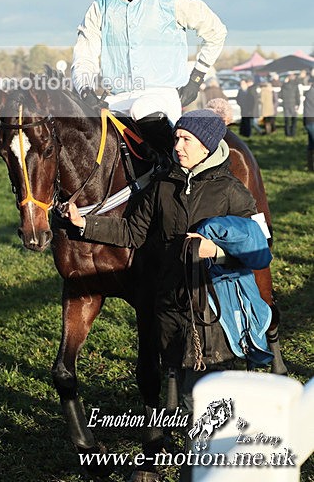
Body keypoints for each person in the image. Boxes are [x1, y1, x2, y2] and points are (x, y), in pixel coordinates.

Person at [63, 109, 272, 441]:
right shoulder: (163, 185)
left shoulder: (233, 191)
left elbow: (259, 249)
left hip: (213, 309)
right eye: (176, 139)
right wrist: (84, 224)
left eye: (186, 140)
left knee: (202, 397)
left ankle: (209, 455)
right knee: (180, 385)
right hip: (169, 305)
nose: (177, 146)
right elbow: (132, 232)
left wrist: (216, 252)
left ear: (206, 145)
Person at [71, 0, 227, 160]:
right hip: (116, 99)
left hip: (160, 99)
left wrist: (196, 78)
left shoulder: (173, 0)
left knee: (142, 108)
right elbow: (84, 56)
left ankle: (172, 170)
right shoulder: (99, 7)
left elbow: (216, 32)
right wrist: (85, 89)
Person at [303, 82, 314, 172]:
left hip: (309, 121)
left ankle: (310, 166)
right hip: (311, 121)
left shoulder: (309, 93)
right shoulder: (311, 93)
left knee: (311, 145)